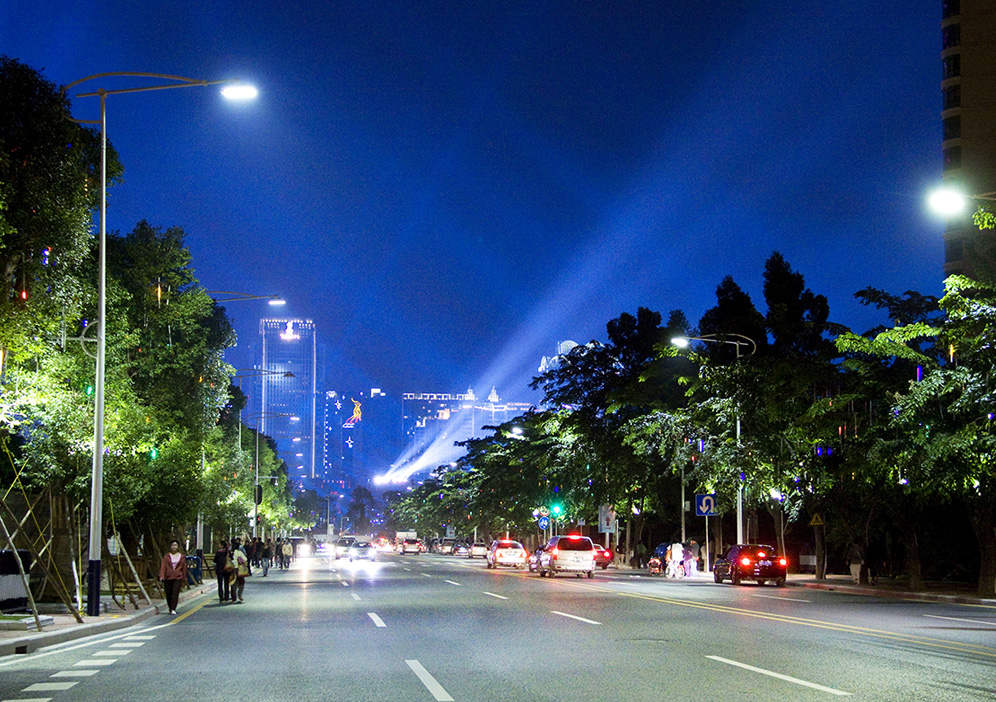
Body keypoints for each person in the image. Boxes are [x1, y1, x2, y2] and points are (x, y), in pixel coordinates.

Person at [159, 539, 188, 615]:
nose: (174, 547)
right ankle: (170, 607)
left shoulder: (181, 557)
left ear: (178, 547)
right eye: (172, 545)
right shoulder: (167, 556)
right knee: (168, 593)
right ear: (170, 547)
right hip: (168, 577)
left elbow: (184, 568)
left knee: (175, 593)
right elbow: (163, 566)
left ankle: (173, 608)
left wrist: (184, 577)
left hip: (178, 577)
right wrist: (162, 576)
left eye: (175, 545)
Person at [230, 538, 250, 602]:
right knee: (241, 582)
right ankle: (240, 594)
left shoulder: (230, 553)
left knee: (233, 583)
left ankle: (233, 598)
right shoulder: (239, 553)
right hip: (239, 569)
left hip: (232, 569)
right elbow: (245, 560)